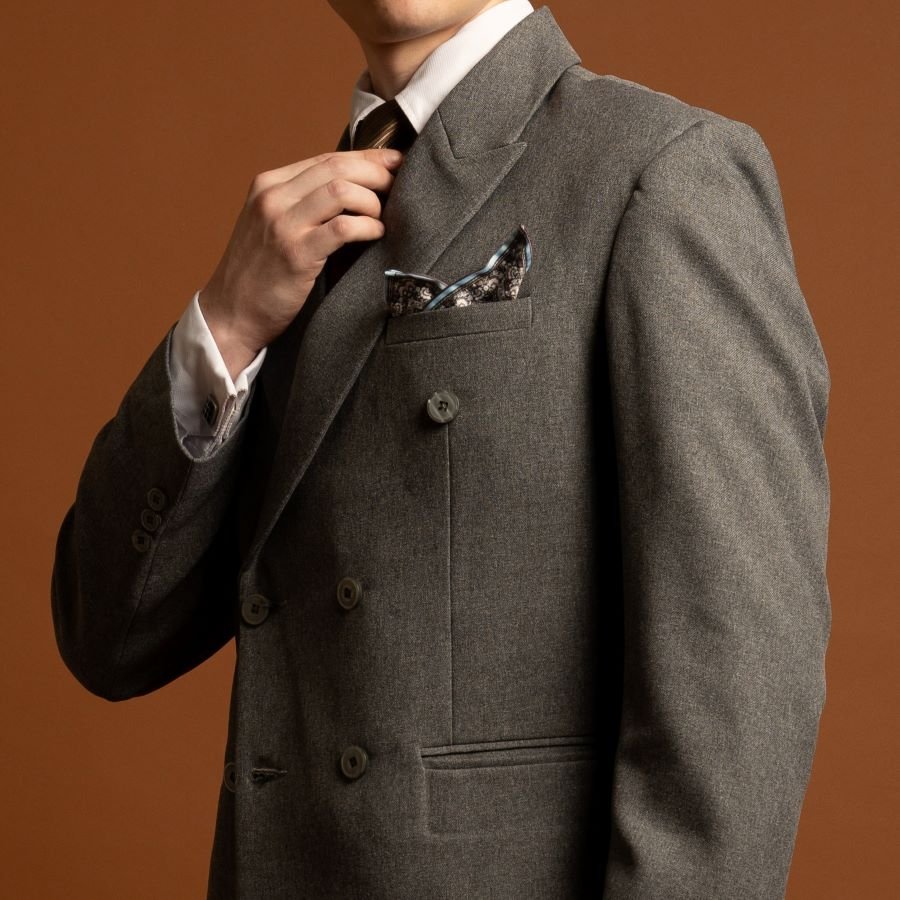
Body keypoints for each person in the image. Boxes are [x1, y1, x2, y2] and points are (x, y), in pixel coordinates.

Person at [50, 1, 832, 897]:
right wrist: (225, 322)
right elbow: (108, 638)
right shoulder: (290, 237)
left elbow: (737, 688)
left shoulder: (658, 170)